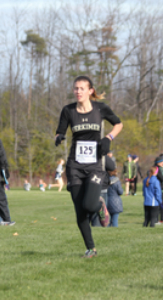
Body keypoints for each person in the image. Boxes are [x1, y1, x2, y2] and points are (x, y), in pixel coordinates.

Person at [55, 75, 123, 258]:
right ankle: (91, 248)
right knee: (80, 211)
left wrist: (108, 138)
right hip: (74, 166)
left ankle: (100, 205)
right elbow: (60, 130)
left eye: (81, 88)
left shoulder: (100, 109)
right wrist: (59, 137)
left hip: (95, 165)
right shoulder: (68, 110)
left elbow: (118, 123)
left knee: (89, 204)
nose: (77, 91)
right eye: (75, 88)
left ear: (90, 90)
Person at [154, 155, 163, 223]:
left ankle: (162, 219)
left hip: (162, 188)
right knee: (160, 204)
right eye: (162, 161)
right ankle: (157, 219)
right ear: (159, 162)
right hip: (159, 189)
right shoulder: (157, 168)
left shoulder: (161, 168)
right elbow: (162, 178)